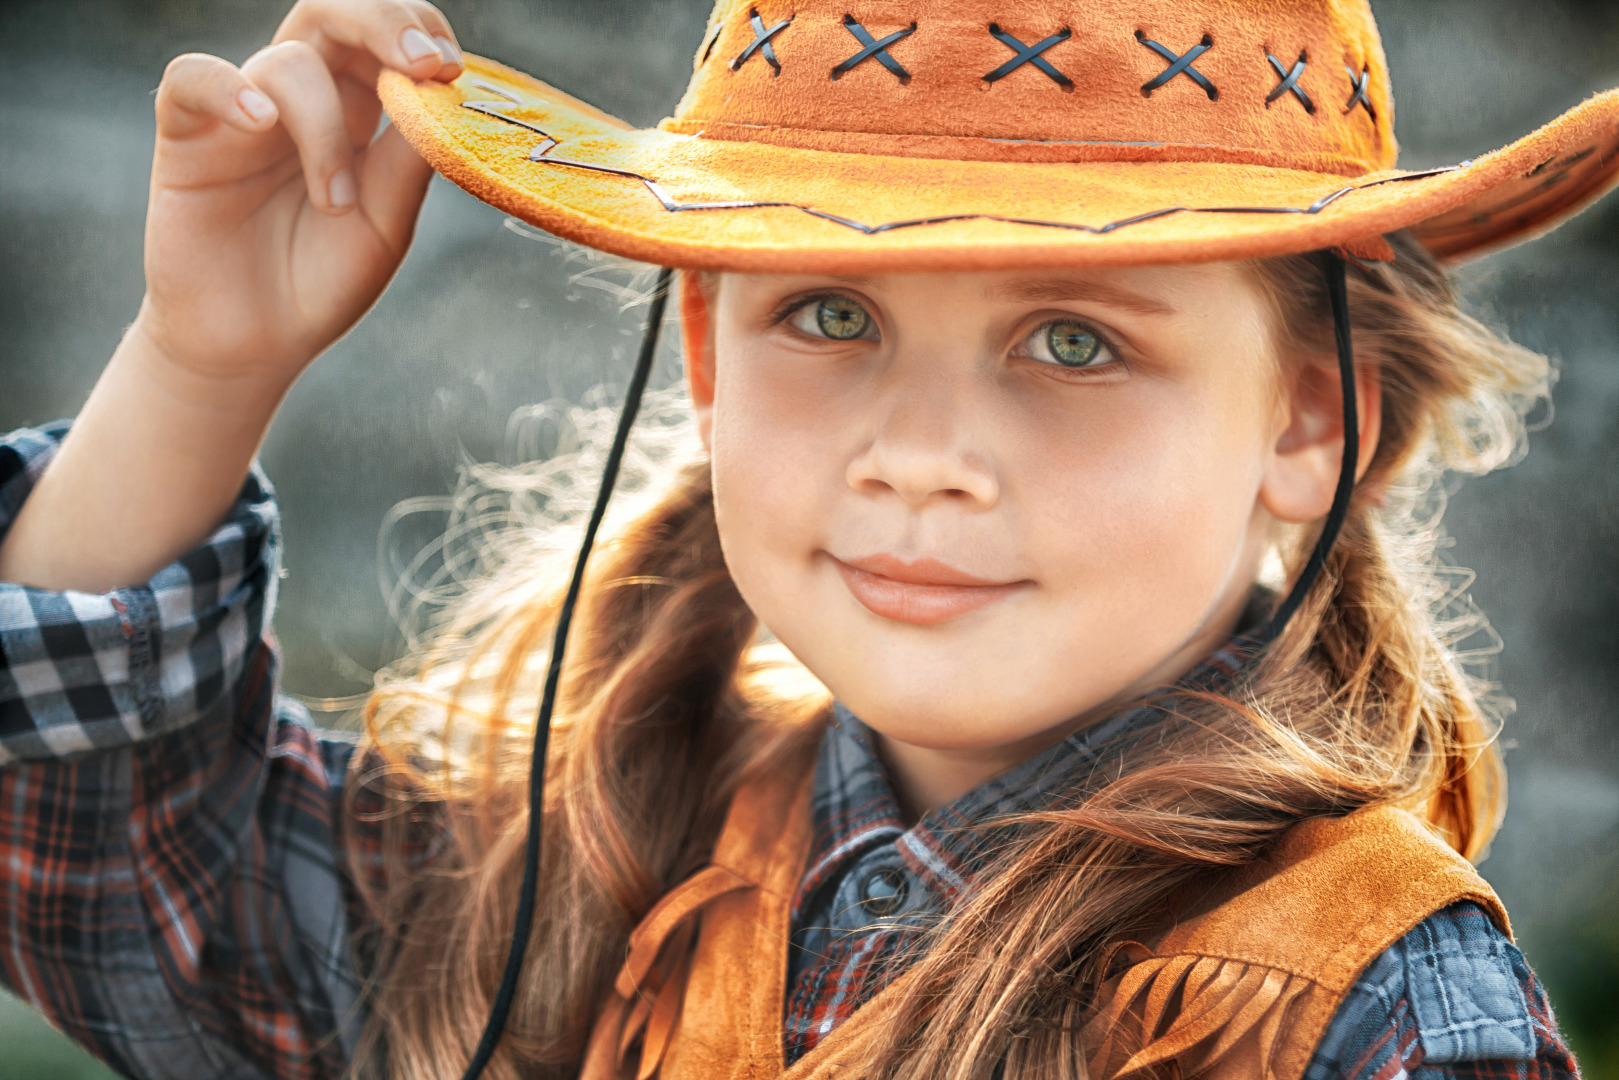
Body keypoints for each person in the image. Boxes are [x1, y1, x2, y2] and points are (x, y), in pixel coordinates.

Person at [1, 0, 1614, 1077]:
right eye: (829, 313)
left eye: (1074, 341)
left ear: (1308, 421)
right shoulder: (577, 871)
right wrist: (204, 362)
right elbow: (102, 861)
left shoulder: (1358, 1009)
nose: (919, 460)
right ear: (703, 360)